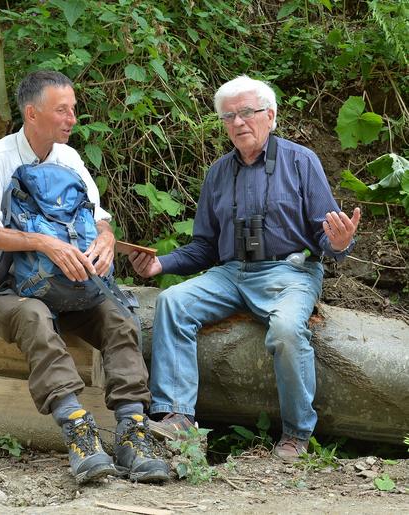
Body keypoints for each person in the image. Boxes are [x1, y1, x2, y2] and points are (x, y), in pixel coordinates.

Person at [129, 75, 361, 460]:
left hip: (291, 274)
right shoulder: (218, 173)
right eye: (229, 116)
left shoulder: (301, 161)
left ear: (270, 116)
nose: (238, 123)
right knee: (172, 301)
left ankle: (296, 434)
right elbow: (204, 246)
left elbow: (327, 238)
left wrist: (339, 242)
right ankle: (177, 417)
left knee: (286, 329)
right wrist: (160, 265)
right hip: (230, 274)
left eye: (247, 113)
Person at [0, 70, 169, 483]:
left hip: (73, 288)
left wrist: (107, 239)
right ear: (31, 113)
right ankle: (79, 432)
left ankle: (133, 433)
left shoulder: (70, 159)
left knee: (120, 320)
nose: (72, 118)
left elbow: (100, 220)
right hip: (8, 290)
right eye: (62, 110)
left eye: (73, 109)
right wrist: (43, 242)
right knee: (36, 320)